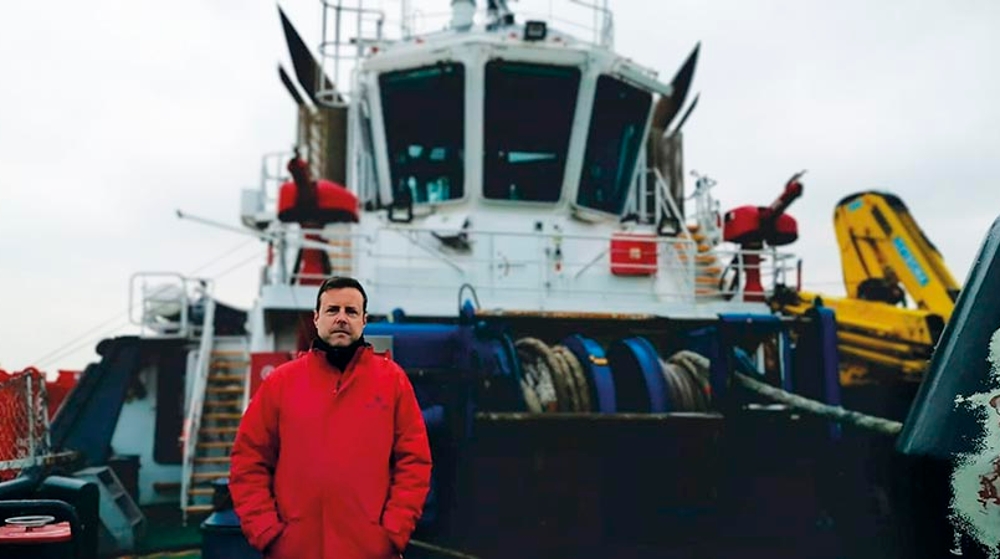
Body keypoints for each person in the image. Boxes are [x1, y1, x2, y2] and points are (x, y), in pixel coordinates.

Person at [230, 276, 432, 559]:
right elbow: (248, 461)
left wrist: (392, 533)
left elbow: (414, 463)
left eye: (350, 311)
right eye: (332, 310)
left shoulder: (392, 381)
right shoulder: (280, 383)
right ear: (316, 318)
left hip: (369, 550)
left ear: (364, 320)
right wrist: (267, 532)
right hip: (294, 550)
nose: (341, 318)